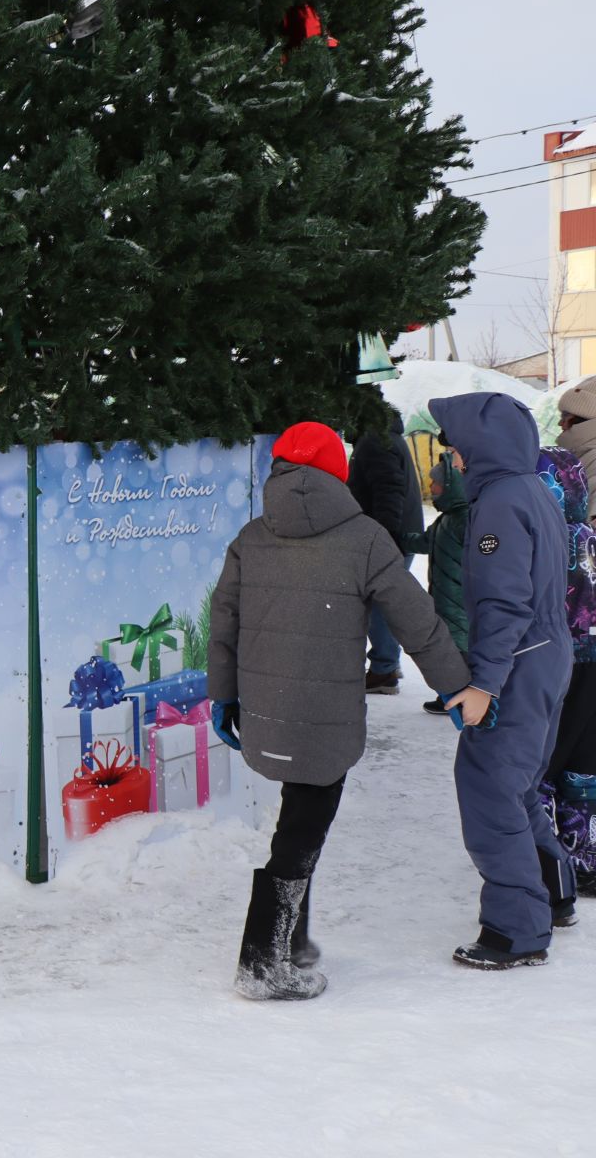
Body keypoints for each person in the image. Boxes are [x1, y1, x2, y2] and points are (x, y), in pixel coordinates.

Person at [208, 421, 468, 1000]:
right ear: (337, 471)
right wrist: (455, 688)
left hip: (265, 711)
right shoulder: (366, 539)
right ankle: (263, 960)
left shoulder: (252, 536)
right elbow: (417, 623)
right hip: (326, 718)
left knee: (295, 813)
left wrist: (223, 695)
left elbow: (222, 624)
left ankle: (289, 940)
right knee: (304, 824)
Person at [430, 392, 576, 968]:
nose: (454, 462)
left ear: (480, 447)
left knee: (490, 788)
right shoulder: (534, 490)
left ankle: (516, 932)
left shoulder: (497, 505)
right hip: (548, 654)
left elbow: (503, 602)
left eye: (458, 450)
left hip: (518, 660)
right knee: (518, 785)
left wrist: (484, 683)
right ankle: (553, 892)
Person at [537, 446, 596, 891]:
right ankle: (586, 858)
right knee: (585, 760)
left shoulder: (544, 539)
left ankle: (542, 865)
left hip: (557, 663)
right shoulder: (590, 534)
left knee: (541, 761)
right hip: (594, 666)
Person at [348, 401, 426, 695]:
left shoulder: (375, 441)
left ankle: (384, 669)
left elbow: (388, 490)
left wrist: (385, 540)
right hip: (394, 535)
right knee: (380, 600)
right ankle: (386, 665)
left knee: (377, 602)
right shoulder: (381, 437)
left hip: (387, 537)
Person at [403, 435, 471, 715]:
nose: (430, 488)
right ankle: (452, 696)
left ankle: (460, 699)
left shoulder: (465, 519)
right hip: (445, 599)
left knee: (458, 653)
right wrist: (395, 538)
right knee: (448, 651)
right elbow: (424, 542)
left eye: (435, 484)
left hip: (460, 601)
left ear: (450, 487)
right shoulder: (446, 520)